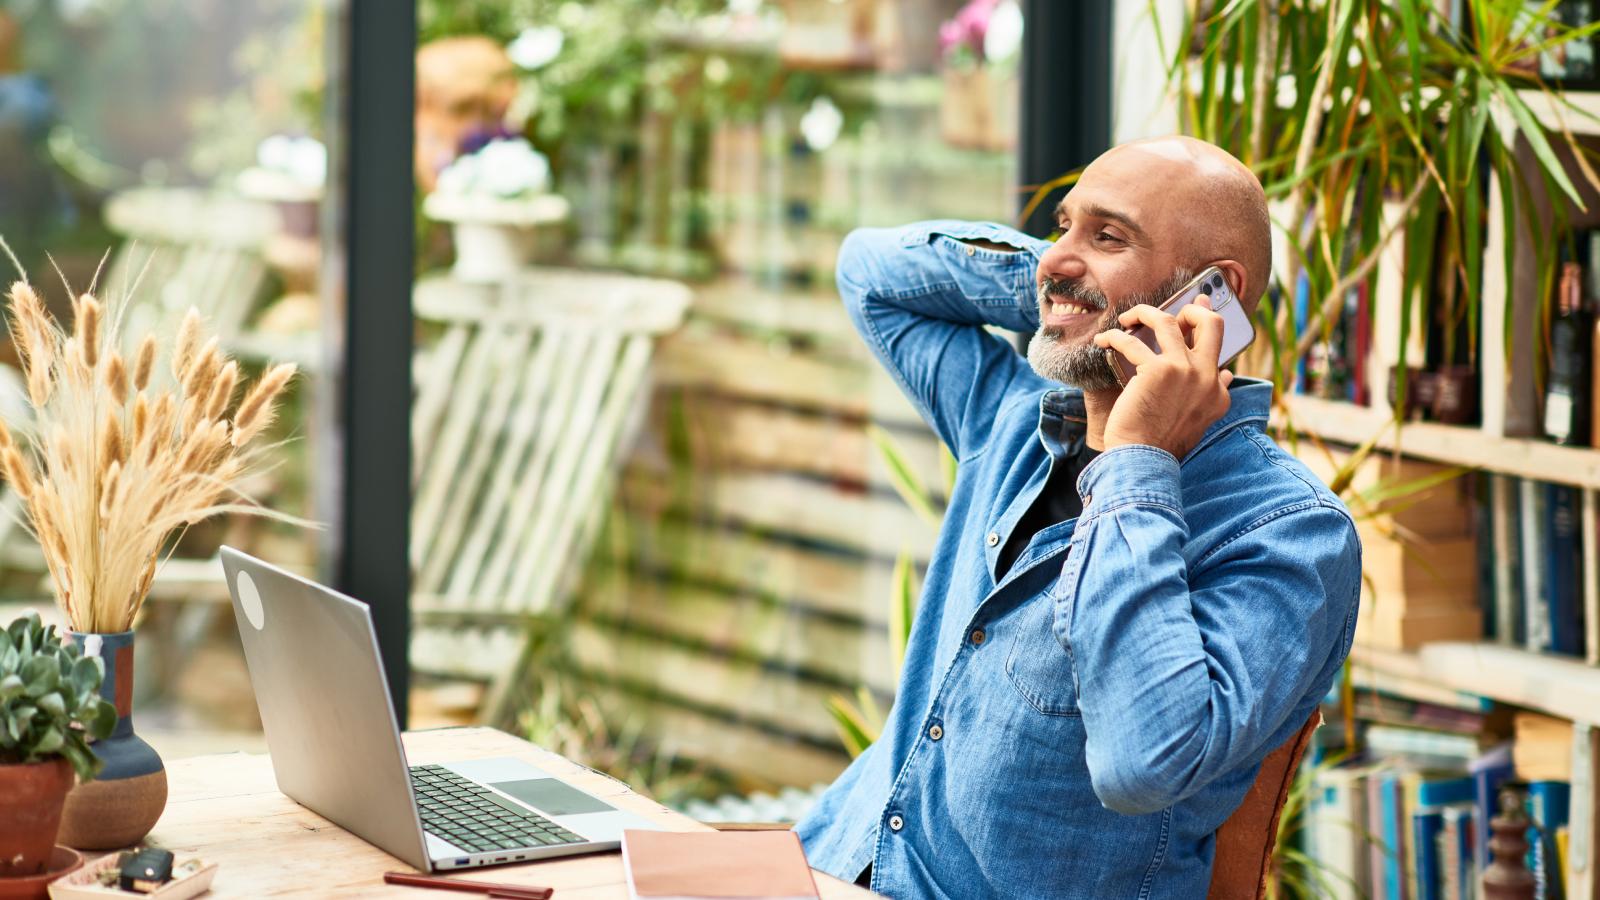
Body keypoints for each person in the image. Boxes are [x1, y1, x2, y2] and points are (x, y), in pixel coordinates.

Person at [794, 136, 1361, 898]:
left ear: (1210, 294)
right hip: (829, 865)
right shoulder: (1010, 422)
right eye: (1064, 225)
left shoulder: (1292, 531)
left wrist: (1137, 458)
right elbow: (869, 273)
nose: (1059, 253)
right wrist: (1064, 289)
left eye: (1109, 236)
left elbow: (1142, 764)